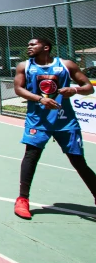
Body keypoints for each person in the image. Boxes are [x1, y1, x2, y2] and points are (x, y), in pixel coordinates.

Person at [12, 37, 96, 220]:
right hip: (38, 121)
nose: (29, 46)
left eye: (33, 44)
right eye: (28, 44)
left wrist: (74, 90)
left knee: (78, 162)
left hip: (65, 122)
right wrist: (40, 99)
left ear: (46, 47)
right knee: (31, 156)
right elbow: (18, 89)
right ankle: (22, 199)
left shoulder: (66, 65)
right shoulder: (24, 66)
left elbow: (89, 87)